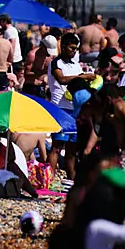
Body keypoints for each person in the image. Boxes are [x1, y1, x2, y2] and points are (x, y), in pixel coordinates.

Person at [48, 33, 95, 180]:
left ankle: (71, 179)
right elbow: (61, 79)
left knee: (72, 149)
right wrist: (82, 76)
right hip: (59, 108)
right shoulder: (56, 63)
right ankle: (49, 179)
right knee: (57, 146)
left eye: (76, 49)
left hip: (75, 109)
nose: (74, 51)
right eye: (71, 48)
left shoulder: (75, 65)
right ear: (63, 47)